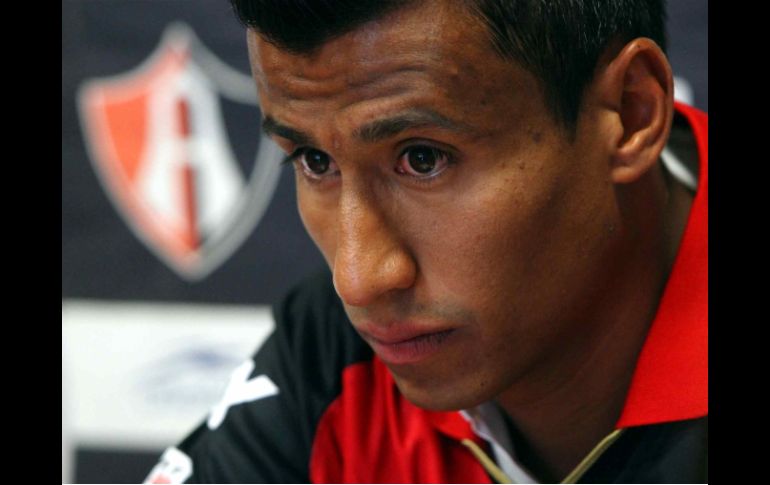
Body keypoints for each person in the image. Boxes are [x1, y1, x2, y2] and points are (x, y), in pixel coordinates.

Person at [146, 0, 707, 482]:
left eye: (423, 158)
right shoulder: (338, 362)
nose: (358, 281)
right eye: (315, 161)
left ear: (630, 113)